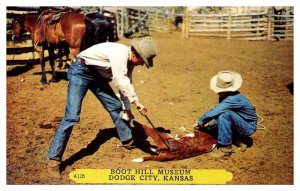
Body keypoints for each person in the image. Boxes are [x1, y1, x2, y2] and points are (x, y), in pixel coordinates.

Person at [47, 35, 157, 178]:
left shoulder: (129, 62)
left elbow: (125, 86)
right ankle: (54, 160)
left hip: (97, 76)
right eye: (143, 61)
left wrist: (128, 109)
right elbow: (120, 80)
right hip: (80, 71)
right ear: (135, 53)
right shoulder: (120, 54)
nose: (142, 64)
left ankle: (127, 139)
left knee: (116, 106)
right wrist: (137, 102)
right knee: (72, 116)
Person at [194, 71, 257, 158]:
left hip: (248, 127)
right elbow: (219, 113)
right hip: (240, 122)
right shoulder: (226, 96)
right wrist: (209, 124)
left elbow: (215, 112)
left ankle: (225, 149)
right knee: (223, 117)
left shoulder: (233, 99)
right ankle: (239, 139)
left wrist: (200, 122)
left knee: (225, 115)